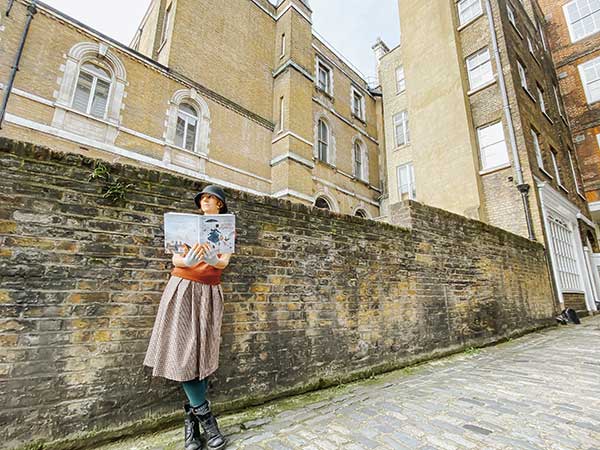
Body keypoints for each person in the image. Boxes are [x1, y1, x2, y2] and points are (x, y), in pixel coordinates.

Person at [144, 185, 232, 450]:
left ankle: (190, 423)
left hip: (210, 292)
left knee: (201, 355)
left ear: (220, 205)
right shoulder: (185, 226)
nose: (206, 200)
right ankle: (207, 420)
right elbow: (176, 259)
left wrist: (212, 259)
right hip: (183, 288)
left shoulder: (226, 227)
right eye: (203, 198)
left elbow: (224, 262)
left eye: (212, 198)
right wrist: (190, 260)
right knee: (185, 350)